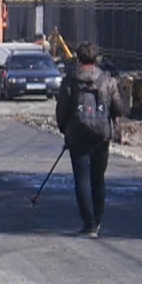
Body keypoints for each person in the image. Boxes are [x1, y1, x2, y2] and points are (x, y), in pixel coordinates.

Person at [54, 42, 128, 238]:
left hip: (78, 135)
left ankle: (89, 224)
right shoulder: (107, 81)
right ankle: (98, 220)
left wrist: (65, 130)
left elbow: (62, 109)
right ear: (96, 59)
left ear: (78, 58)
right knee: (98, 179)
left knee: (82, 179)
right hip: (101, 136)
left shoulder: (70, 80)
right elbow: (118, 109)